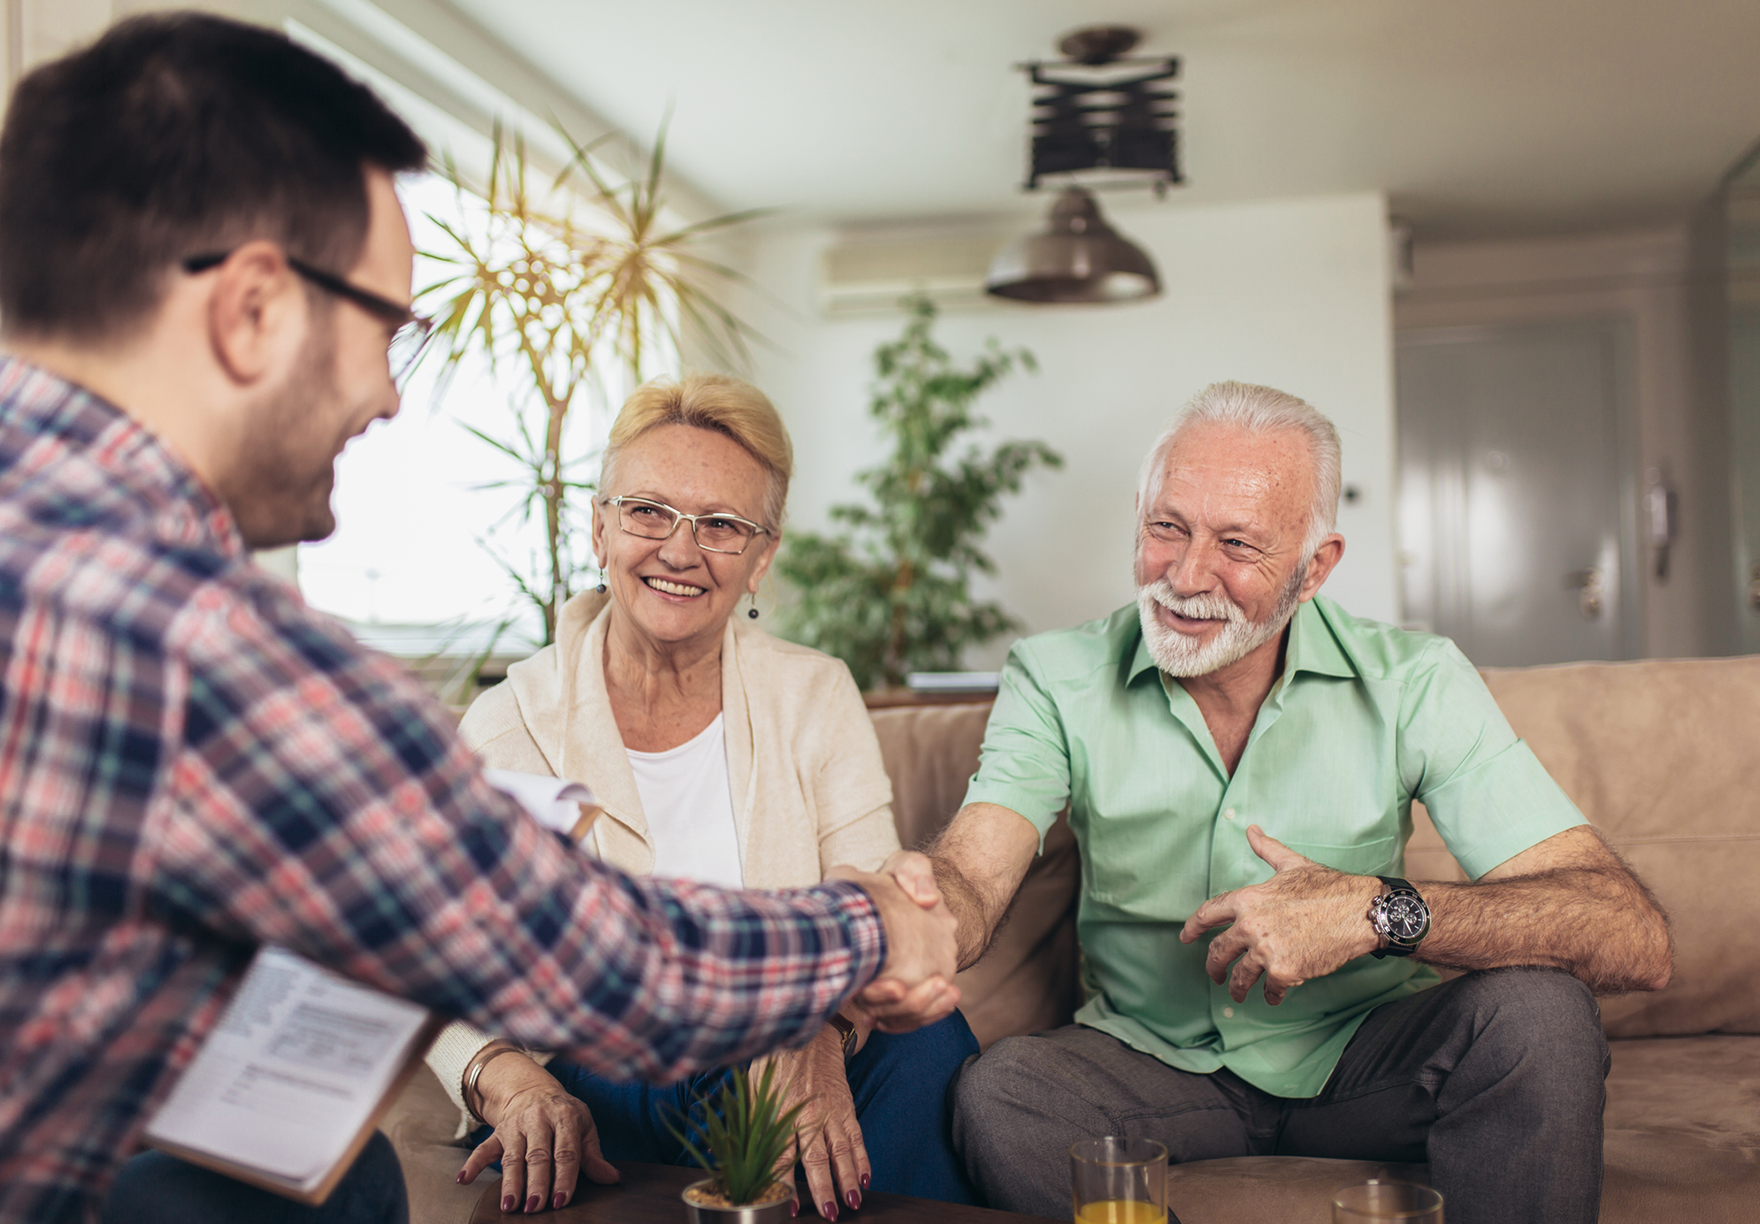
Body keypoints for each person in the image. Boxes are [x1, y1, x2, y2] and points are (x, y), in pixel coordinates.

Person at [0, 16, 957, 1224]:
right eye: (384, 327)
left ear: (761, 549)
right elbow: (610, 964)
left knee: (320, 1180)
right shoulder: (195, 644)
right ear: (249, 311)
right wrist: (867, 926)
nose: (389, 394)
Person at [926, 381, 1671, 1224]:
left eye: (1237, 543)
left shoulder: (1415, 681)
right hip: (1149, 1066)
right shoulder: (1055, 676)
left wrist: (1376, 911)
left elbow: (1629, 934)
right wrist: (900, 924)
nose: (1185, 573)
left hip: (1366, 1060)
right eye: (1166, 526)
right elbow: (973, 872)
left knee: (1542, 1013)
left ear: (1315, 567)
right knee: (1002, 1094)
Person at [427, 373, 980, 1217]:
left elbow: (877, 918)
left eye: (722, 525)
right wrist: (506, 1082)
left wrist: (821, 1035)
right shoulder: (510, 727)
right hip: (605, 1077)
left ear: (762, 557)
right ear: (599, 525)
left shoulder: (816, 697)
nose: (680, 552)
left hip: (775, 1050)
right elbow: (435, 962)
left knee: (926, 1038)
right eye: (649, 511)